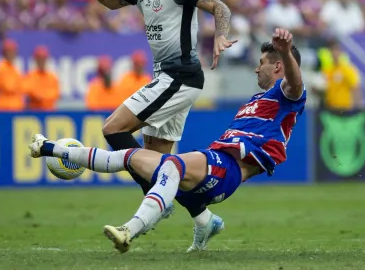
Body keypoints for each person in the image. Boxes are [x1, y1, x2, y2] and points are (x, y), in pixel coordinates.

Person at [29, 28, 306, 253]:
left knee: (172, 166)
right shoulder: (258, 99)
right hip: (216, 165)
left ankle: (130, 230)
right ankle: (47, 147)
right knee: (128, 158)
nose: (257, 69)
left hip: (229, 169)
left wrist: (285, 51)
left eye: (262, 64)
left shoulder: (285, 97)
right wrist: (48, 149)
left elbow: (295, 85)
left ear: (278, 66)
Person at [61, 0, 237, 241]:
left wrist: (221, 35)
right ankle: (205, 218)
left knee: (114, 129)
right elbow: (111, 0)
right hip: (170, 79)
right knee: (161, 166)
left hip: (179, 77)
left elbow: (219, 8)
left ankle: (158, 199)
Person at [0, 39, 25, 111]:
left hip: (16, 106)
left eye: (13, 51)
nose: (11, 54)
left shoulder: (13, 68)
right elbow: (9, 86)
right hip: (6, 107)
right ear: (4, 53)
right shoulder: (2, 68)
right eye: (8, 51)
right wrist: (21, 86)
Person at [24, 46, 61, 111]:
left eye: (43, 58)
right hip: (34, 111)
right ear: (35, 60)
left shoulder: (52, 77)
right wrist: (44, 95)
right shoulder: (30, 75)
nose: (41, 61)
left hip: (49, 111)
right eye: (39, 59)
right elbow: (30, 91)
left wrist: (42, 96)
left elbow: (56, 94)